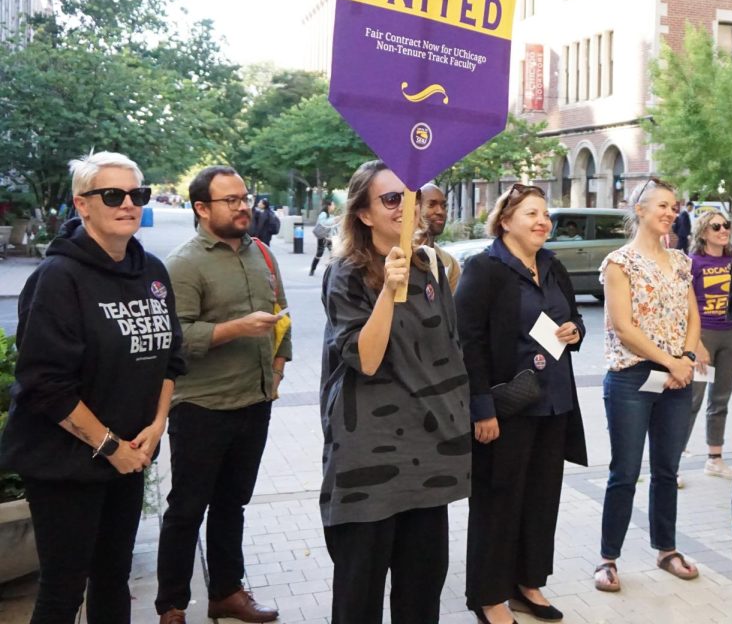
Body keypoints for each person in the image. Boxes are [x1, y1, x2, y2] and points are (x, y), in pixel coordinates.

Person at [0, 152, 184, 624]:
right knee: (64, 588)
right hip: (65, 462)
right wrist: (109, 446)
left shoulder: (153, 272)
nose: (128, 204)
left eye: (136, 195)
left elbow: (171, 357)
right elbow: (44, 385)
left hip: (130, 454)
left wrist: (157, 425)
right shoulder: (59, 278)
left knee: (113, 578)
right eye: (112, 195)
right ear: (83, 205)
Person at [320, 161, 470, 624]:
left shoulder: (434, 267)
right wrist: (389, 289)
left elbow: (449, 351)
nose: (405, 207)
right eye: (390, 199)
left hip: (429, 454)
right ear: (364, 214)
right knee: (359, 600)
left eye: (410, 197)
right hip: (368, 458)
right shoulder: (345, 273)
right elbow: (364, 359)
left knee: (421, 599)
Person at [156, 166, 290, 624]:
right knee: (187, 509)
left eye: (243, 197)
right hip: (202, 407)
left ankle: (228, 592)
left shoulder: (263, 255)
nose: (242, 206)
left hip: (253, 402)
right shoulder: (184, 263)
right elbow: (176, 338)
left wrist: (277, 368)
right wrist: (235, 329)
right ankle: (172, 605)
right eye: (229, 200)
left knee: (233, 502)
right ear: (201, 208)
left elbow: (281, 315)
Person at [456, 183, 588, 624]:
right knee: (498, 502)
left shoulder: (552, 266)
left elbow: (573, 320)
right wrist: (481, 409)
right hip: (507, 408)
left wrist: (574, 332)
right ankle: (488, 595)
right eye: (531, 213)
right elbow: (468, 343)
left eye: (545, 214)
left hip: (553, 404)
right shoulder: (485, 269)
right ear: (506, 219)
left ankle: (526, 584)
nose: (542, 221)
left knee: (540, 500)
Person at [594, 177, 706, 593]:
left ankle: (667, 549)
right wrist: (671, 362)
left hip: (676, 375)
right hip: (631, 377)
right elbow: (622, 327)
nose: (669, 212)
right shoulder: (619, 263)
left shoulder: (680, 261)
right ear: (639, 210)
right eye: (661, 205)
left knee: (666, 469)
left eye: (674, 206)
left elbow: (693, 317)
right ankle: (608, 559)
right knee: (624, 471)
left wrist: (688, 359)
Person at [682, 208, 732, 480]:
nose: (724, 230)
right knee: (692, 399)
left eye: (726, 225)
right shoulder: (693, 263)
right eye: (716, 227)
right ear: (703, 232)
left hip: (730, 334)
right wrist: (696, 344)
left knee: (721, 399)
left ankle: (714, 459)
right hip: (703, 335)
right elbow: (684, 307)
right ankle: (673, 463)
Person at [415, 182, 462, 291]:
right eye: (431, 205)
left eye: (443, 206)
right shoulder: (400, 255)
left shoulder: (449, 263)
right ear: (415, 208)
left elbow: (451, 306)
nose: (440, 211)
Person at [310, 200, 337, 276]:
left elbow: (333, 227)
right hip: (322, 237)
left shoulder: (330, 215)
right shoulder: (323, 214)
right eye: (333, 205)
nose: (334, 206)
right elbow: (324, 223)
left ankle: (331, 270)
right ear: (329, 206)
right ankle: (312, 269)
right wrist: (334, 220)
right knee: (319, 253)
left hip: (329, 238)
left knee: (334, 253)